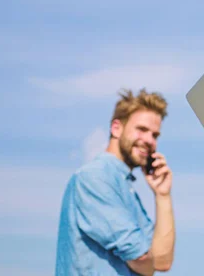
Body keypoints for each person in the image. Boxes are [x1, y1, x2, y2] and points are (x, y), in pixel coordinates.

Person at [55, 89, 176, 276]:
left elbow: (163, 261)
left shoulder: (125, 188)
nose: (149, 140)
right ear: (116, 128)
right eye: (142, 129)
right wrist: (148, 260)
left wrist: (163, 195)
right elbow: (142, 259)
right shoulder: (94, 178)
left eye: (155, 135)